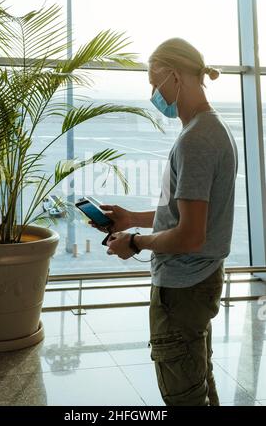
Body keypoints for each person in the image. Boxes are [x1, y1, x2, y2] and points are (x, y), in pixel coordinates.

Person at [90, 38, 238, 406]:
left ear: (174, 76)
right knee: (198, 383)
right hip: (200, 281)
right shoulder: (212, 129)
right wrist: (130, 219)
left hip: (183, 287)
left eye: (155, 85)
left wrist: (135, 241)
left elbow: (189, 235)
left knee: (184, 396)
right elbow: (185, 215)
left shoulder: (196, 141)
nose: (154, 95)